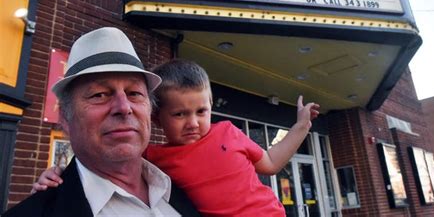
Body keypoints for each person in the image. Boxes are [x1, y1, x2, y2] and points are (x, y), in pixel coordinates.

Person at [32, 59, 320, 216]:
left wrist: (300, 128)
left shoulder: (228, 132)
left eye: (201, 111)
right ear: (157, 118)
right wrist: (59, 173)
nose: (193, 123)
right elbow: (105, 159)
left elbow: (269, 162)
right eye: (180, 115)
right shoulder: (155, 159)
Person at [3, 27, 200, 217]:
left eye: (134, 93)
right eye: (99, 95)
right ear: (64, 117)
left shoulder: (188, 187)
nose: (124, 107)